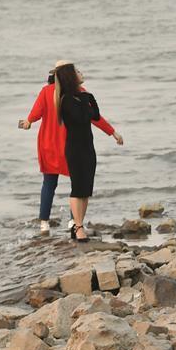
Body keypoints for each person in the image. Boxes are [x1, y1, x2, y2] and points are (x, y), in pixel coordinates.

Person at [19, 61, 122, 238]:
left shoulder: (47, 91)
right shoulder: (79, 93)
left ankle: (44, 223)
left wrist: (28, 121)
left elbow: (36, 112)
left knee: (49, 183)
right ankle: (74, 222)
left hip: (49, 144)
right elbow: (94, 118)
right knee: (77, 183)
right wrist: (111, 132)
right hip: (70, 144)